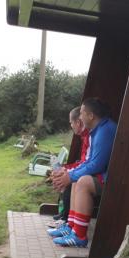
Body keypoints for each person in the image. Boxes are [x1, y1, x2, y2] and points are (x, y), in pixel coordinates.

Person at [49, 97, 117, 247]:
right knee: (75, 181)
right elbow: (88, 162)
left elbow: (97, 164)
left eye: (81, 113)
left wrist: (70, 175)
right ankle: (72, 228)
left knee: (83, 182)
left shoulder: (105, 130)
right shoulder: (98, 130)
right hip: (105, 175)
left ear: (91, 116)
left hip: (116, 179)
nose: (79, 117)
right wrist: (69, 175)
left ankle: (79, 236)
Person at [48, 106, 90, 227]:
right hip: (87, 170)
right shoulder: (85, 136)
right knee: (66, 176)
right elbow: (83, 161)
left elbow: (87, 163)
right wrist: (65, 168)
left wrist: (67, 171)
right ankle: (64, 215)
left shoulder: (88, 135)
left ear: (78, 122)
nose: (71, 126)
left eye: (71, 123)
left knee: (70, 181)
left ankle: (66, 219)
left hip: (94, 175)